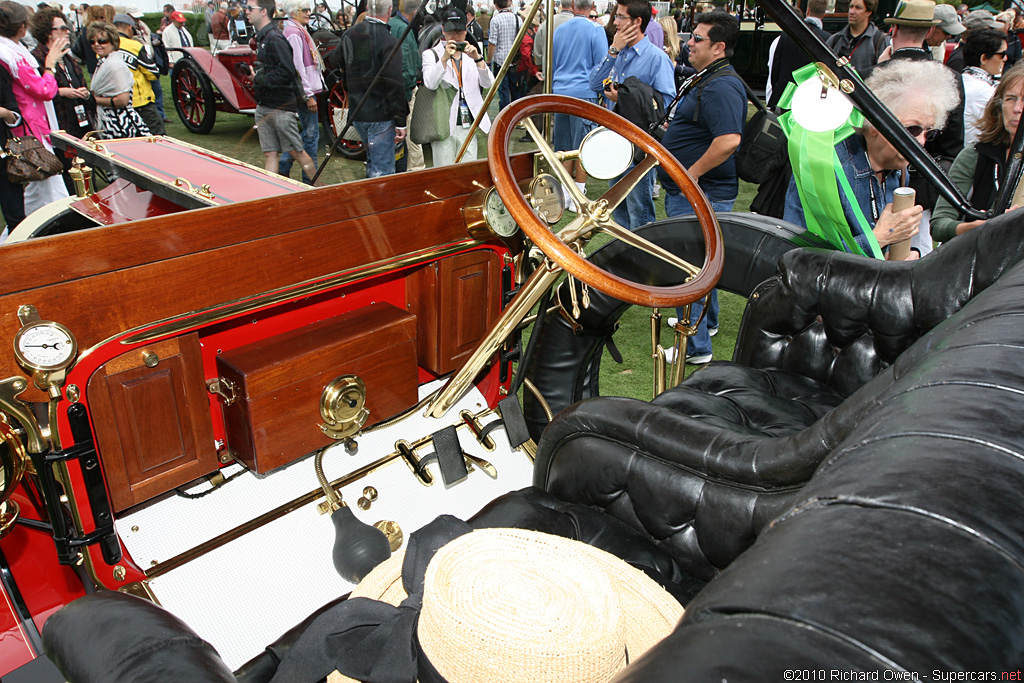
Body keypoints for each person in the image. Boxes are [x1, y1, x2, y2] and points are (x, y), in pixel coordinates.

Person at [784, 59, 960, 260]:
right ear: (875, 123)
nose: (921, 141)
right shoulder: (825, 167)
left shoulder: (898, 169)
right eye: (912, 129)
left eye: (930, 132)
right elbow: (798, 259)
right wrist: (879, 237)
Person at [659, 10, 745, 366]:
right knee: (703, 261)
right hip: (700, 190)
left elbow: (728, 140)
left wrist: (689, 175)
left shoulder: (721, 84)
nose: (689, 43)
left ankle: (693, 348)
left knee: (690, 266)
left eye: (697, 38)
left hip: (701, 192)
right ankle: (704, 326)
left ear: (719, 47)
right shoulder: (711, 77)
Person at [588, 0, 675, 231]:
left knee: (640, 213)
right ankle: (626, 260)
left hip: (639, 145)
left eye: (621, 17)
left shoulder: (656, 58)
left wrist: (625, 98)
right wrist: (613, 51)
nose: (615, 22)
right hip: (613, 139)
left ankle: (642, 261)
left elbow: (666, 103)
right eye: (616, 16)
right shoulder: (619, 53)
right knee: (618, 210)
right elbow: (595, 83)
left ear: (637, 22)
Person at [932, 63, 1024, 243]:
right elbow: (939, 225)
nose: (1017, 108)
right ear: (999, 105)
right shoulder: (976, 154)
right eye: (1011, 99)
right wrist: (974, 227)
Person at [0, 0, 68, 215]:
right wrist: (50, 64)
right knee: (52, 189)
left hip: (28, 126)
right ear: (22, 27)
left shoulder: (12, 51)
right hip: (30, 128)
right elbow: (44, 90)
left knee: (36, 191)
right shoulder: (13, 56)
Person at [245, 0, 322, 184]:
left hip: (280, 107)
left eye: (250, 8)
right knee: (271, 153)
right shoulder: (265, 37)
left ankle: (320, 189)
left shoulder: (274, 37)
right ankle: (269, 194)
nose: (246, 12)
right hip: (266, 105)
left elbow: (288, 71)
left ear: (263, 11)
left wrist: (258, 79)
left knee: (297, 151)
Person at [340, 0, 407, 177]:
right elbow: (395, 82)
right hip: (380, 115)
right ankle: (381, 204)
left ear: (368, 9)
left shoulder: (349, 35)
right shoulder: (388, 40)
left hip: (358, 112)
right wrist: (401, 119)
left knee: (372, 162)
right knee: (382, 170)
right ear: (390, 11)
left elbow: (337, 63)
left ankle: (372, 201)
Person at [29, 5, 92, 191]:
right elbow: (37, 92)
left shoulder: (68, 57)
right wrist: (62, 92)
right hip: (56, 124)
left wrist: (84, 92)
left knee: (85, 167)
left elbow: (78, 80)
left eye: (67, 27)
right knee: (67, 176)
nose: (68, 31)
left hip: (78, 122)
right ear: (48, 33)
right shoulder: (37, 59)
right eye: (62, 28)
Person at [421, 7, 493, 167]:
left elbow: (489, 84)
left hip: (469, 122)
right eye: (450, 31)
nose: (455, 36)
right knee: (443, 171)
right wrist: (444, 59)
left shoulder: (471, 55)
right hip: (443, 124)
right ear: (442, 30)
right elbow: (430, 84)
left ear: (466, 30)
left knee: (467, 170)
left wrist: (478, 59)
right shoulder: (431, 54)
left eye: (459, 31)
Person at [550, 0, 605, 207]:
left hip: (561, 92)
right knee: (583, 144)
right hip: (584, 93)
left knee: (564, 145)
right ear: (591, 5)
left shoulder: (560, 30)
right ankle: (578, 194)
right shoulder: (595, 29)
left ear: (572, 6)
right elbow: (602, 66)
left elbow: (554, 63)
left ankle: (565, 193)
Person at [278, 0, 325, 183]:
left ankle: (286, 166)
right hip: (303, 92)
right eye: (305, 10)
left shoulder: (297, 30)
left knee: (309, 135)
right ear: (295, 12)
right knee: (311, 136)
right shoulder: (294, 33)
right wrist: (308, 95)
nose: (308, 13)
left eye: (309, 10)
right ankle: (308, 179)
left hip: (304, 90)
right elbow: (298, 67)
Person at [88, 22, 149, 138]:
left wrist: (93, 99)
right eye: (92, 41)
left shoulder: (114, 65)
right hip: (110, 122)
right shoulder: (104, 61)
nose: (96, 45)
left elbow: (122, 100)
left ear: (112, 42)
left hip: (119, 125)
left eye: (102, 41)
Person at [767, 0, 828, 108]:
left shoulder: (787, 35)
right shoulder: (827, 38)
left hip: (785, 97)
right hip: (810, 99)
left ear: (807, 10)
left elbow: (775, 67)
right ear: (824, 14)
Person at [112, 12, 164, 135]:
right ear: (130, 27)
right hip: (140, 101)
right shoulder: (135, 46)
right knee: (159, 137)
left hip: (117, 102)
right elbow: (153, 73)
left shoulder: (106, 46)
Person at [389, 0, 425, 171]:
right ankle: (416, 173)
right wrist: (408, 91)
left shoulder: (392, 24)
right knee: (413, 138)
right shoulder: (403, 28)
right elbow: (407, 65)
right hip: (405, 90)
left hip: (392, 90)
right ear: (416, 11)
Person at [962, 28, 1006, 145]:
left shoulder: (965, 78)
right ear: (984, 58)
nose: (1005, 58)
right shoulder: (982, 90)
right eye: (1002, 54)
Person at [826, 0, 889, 75]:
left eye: (858, 8)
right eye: (851, 7)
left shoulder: (880, 41)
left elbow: (886, 74)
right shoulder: (835, 40)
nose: (852, 11)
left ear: (869, 12)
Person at [0, 67, 25, 240]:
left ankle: (19, 252)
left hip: (3, 155)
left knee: (16, 217)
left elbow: (15, 115)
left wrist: (4, 112)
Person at [488, 0, 522, 110]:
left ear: (496, 4)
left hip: (500, 60)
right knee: (515, 90)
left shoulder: (495, 20)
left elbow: (493, 42)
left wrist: (489, 59)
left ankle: (504, 118)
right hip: (514, 60)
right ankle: (518, 117)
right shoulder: (518, 19)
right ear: (508, 3)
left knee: (503, 92)